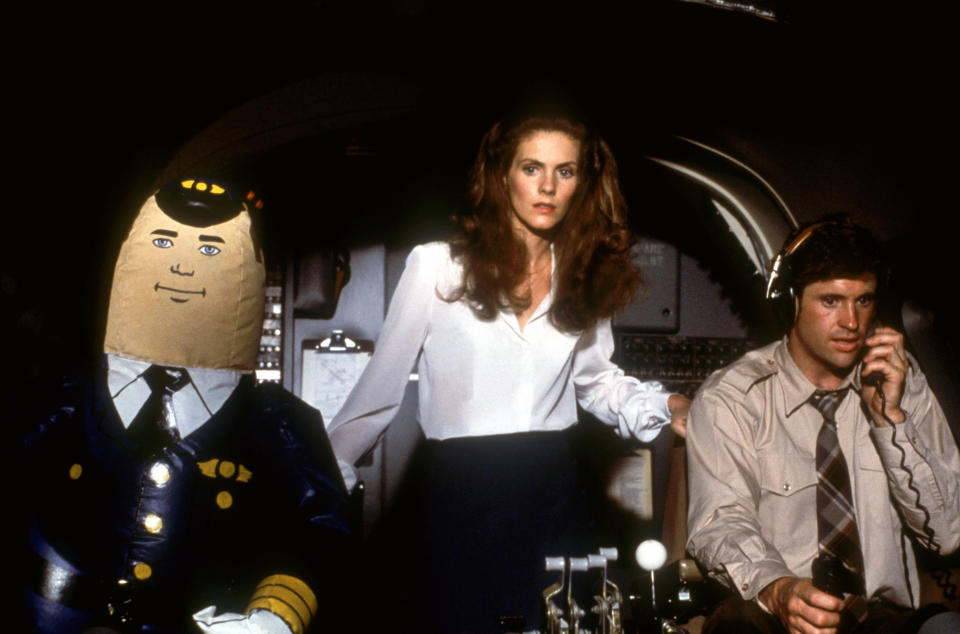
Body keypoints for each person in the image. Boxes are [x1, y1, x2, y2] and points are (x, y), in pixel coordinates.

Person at [327, 110, 690, 633]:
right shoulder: (436, 266)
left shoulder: (584, 276)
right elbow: (378, 395)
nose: (547, 186)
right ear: (501, 177)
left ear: (582, 184)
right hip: (460, 495)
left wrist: (668, 405)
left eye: (565, 172)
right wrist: (317, 479)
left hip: (552, 492)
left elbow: (596, 382)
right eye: (531, 168)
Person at [20, 178, 350, 634]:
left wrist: (269, 620)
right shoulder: (63, 395)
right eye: (162, 241)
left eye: (211, 250)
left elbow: (322, 528)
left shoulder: (280, 421)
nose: (182, 266)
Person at [685, 217, 960, 634]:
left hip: (881, 619)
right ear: (789, 302)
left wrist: (891, 421)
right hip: (773, 613)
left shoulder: (901, 383)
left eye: (864, 301)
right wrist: (780, 591)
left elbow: (948, 535)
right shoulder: (733, 397)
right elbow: (721, 521)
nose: (851, 321)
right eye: (830, 301)